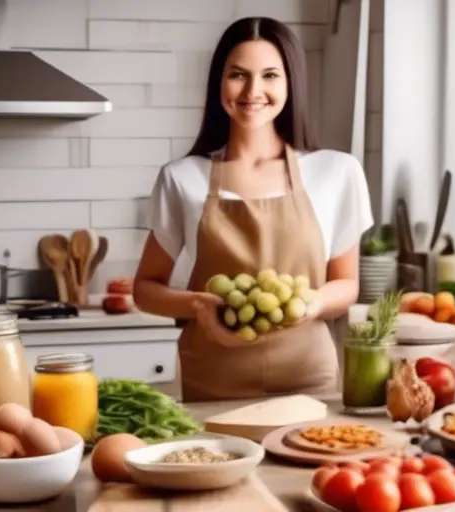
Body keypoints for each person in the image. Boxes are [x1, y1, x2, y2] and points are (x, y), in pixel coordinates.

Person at [133, 17, 374, 402]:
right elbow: (144, 290)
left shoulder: (337, 171)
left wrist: (311, 304)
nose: (253, 90)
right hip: (213, 380)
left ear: (290, 83)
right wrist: (200, 304)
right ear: (219, 83)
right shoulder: (181, 178)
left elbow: (346, 285)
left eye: (270, 75)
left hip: (307, 378)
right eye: (238, 75)